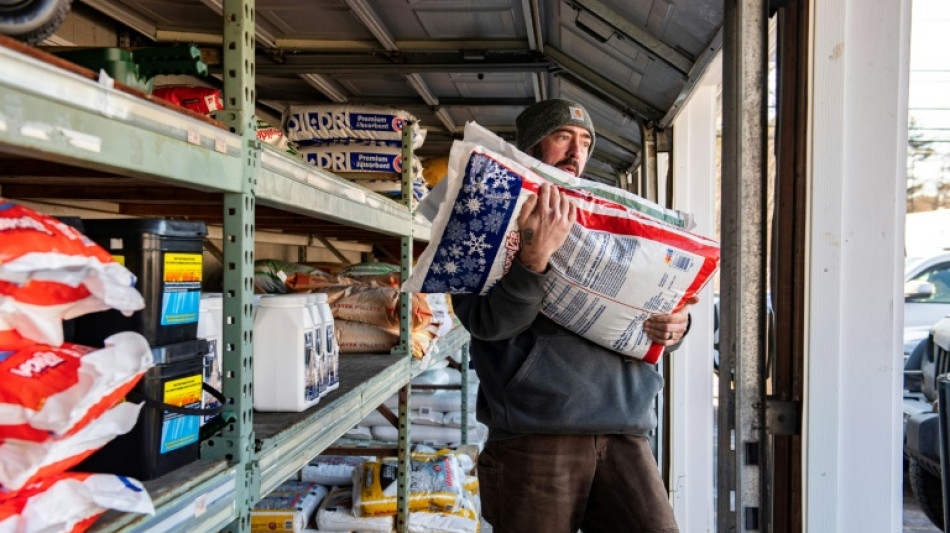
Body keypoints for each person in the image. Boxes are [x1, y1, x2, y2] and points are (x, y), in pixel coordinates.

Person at [452, 98, 697, 533]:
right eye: (563, 136)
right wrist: (532, 260)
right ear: (531, 144)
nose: (575, 151)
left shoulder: (613, 216)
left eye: (584, 141)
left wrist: (676, 326)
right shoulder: (482, 215)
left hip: (625, 428)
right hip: (536, 433)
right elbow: (487, 324)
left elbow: (653, 306)